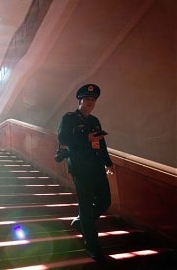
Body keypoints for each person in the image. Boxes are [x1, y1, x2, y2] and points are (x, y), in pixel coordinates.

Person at [57, 84, 114, 262]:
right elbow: (63, 138)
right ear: (80, 101)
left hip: (96, 166)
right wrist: (85, 138)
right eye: (87, 99)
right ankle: (92, 246)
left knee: (105, 200)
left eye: (93, 100)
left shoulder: (95, 121)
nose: (90, 102)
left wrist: (108, 163)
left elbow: (101, 143)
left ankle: (81, 222)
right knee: (87, 206)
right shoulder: (69, 118)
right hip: (80, 168)